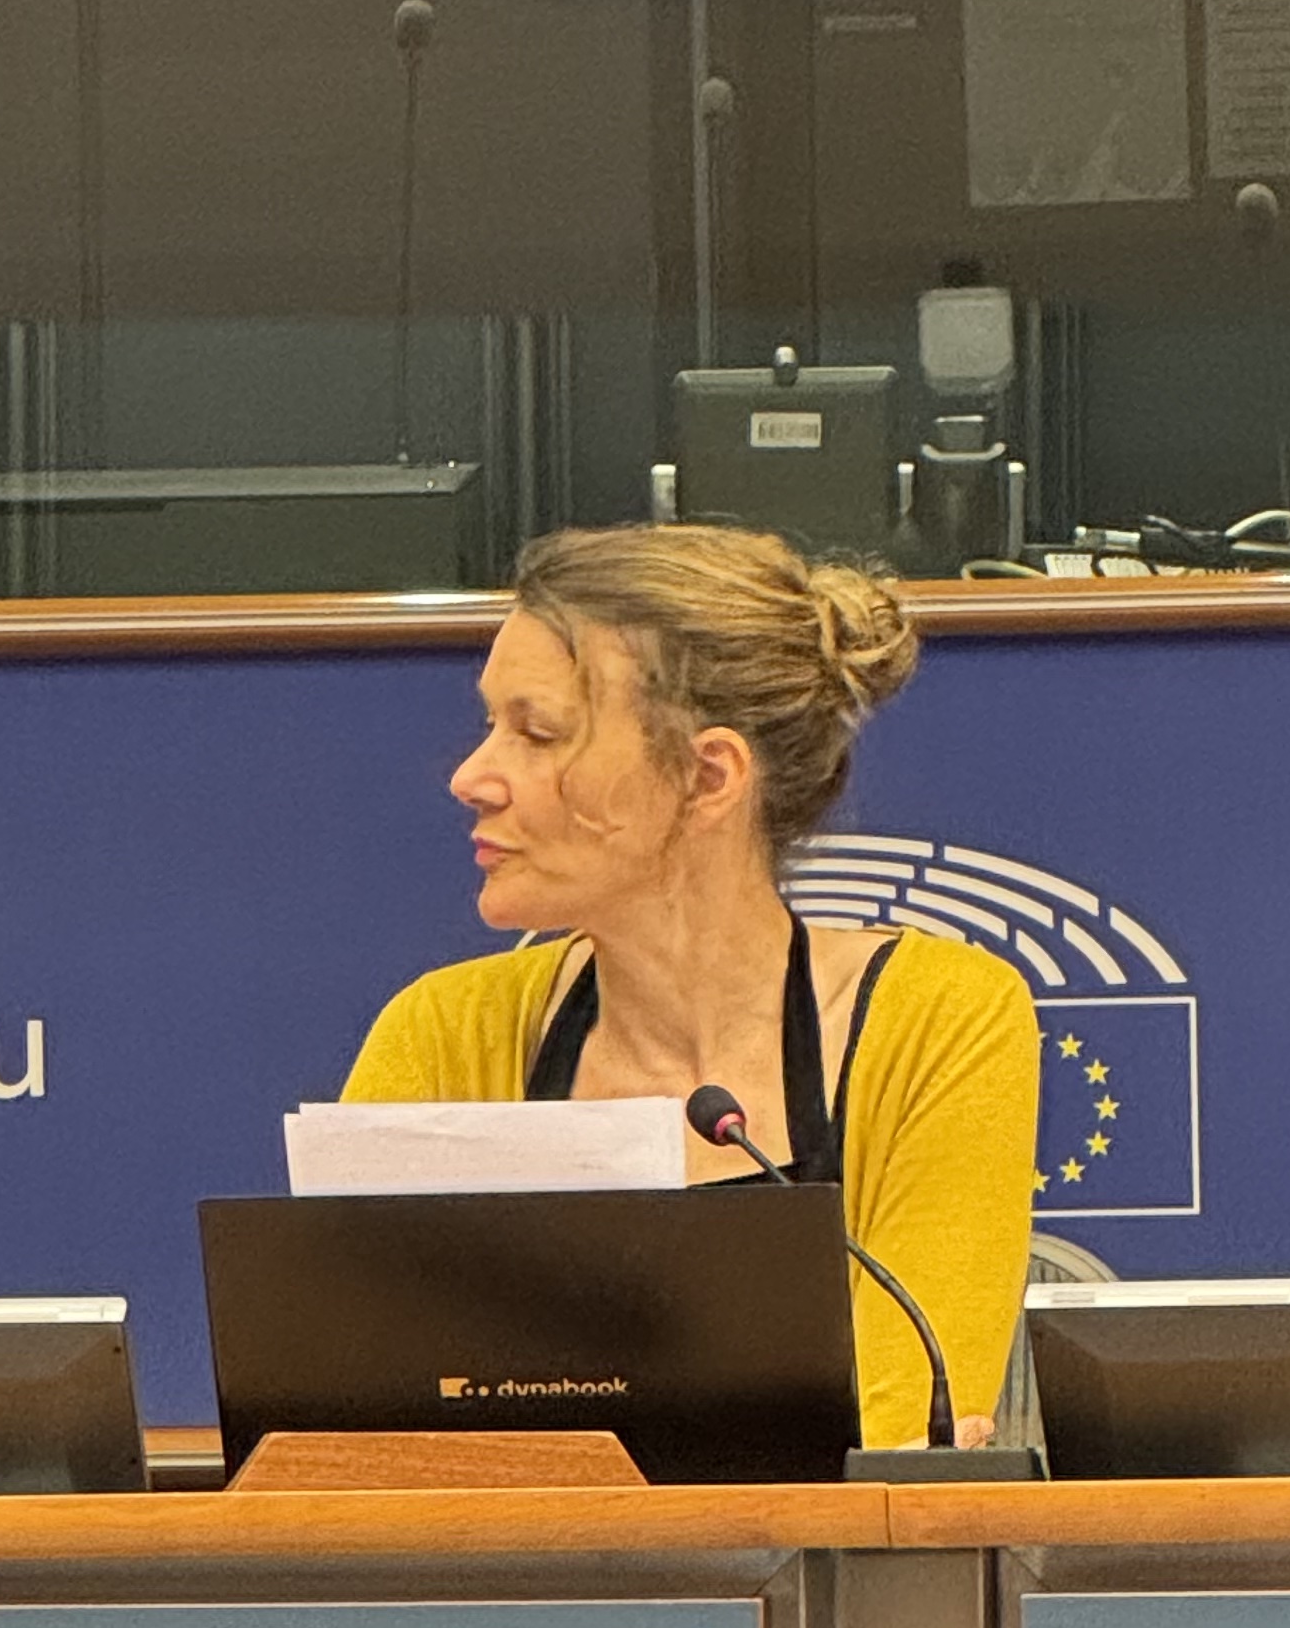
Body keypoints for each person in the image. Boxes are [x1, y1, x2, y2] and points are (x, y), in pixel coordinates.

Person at [341, 523, 1038, 1450]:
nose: (473, 777)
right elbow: (360, 1444)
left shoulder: (941, 1021)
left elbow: (899, 1437)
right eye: (490, 725)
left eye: (538, 733)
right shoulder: (441, 1035)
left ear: (709, 777)